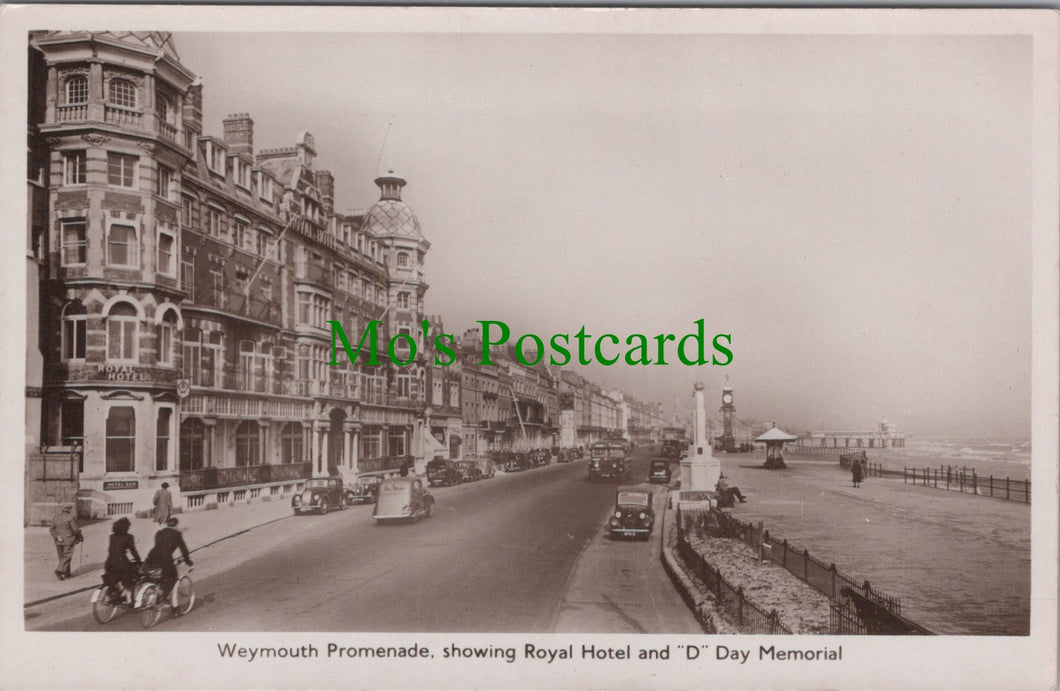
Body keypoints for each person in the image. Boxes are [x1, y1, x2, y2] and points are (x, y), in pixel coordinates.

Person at [145, 517, 193, 601]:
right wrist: (188, 562)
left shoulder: (159, 533)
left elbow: (160, 546)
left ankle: (157, 592)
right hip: (165, 560)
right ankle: (165, 600)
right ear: (176, 525)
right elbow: (183, 550)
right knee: (173, 579)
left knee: (158, 577)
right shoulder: (177, 534)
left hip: (151, 557)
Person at [102, 517, 141, 602]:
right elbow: (133, 551)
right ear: (126, 527)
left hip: (109, 562)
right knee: (130, 577)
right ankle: (130, 599)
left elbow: (112, 549)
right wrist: (139, 561)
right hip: (121, 562)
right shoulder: (129, 537)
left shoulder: (111, 536)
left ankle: (113, 592)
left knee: (115, 576)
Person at [49, 502, 82, 580]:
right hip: (68, 539)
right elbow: (76, 530)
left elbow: (51, 529)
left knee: (62, 557)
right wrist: (80, 536)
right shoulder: (70, 517)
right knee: (67, 556)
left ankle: (67, 573)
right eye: (71, 508)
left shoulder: (55, 517)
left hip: (59, 540)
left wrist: (56, 536)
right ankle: (59, 570)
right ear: (69, 509)